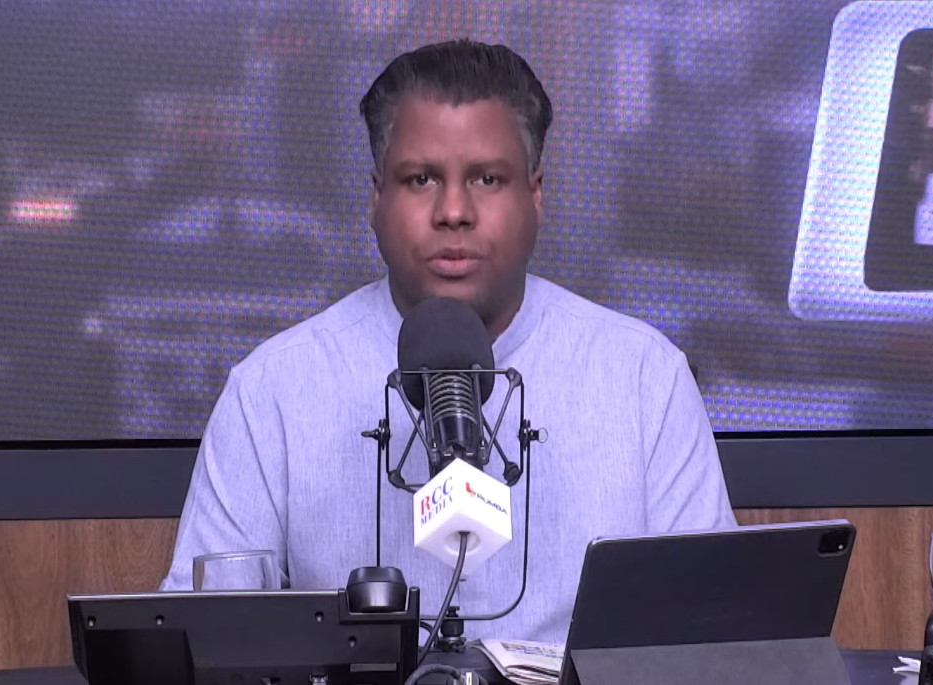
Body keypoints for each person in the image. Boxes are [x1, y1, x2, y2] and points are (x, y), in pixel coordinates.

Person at [161, 39, 736, 644]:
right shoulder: (270, 392)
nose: (454, 211)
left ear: (535, 195)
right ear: (376, 197)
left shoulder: (646, 379)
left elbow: (715, 639)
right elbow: (201, 643)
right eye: (421, 179)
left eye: (487, 178)